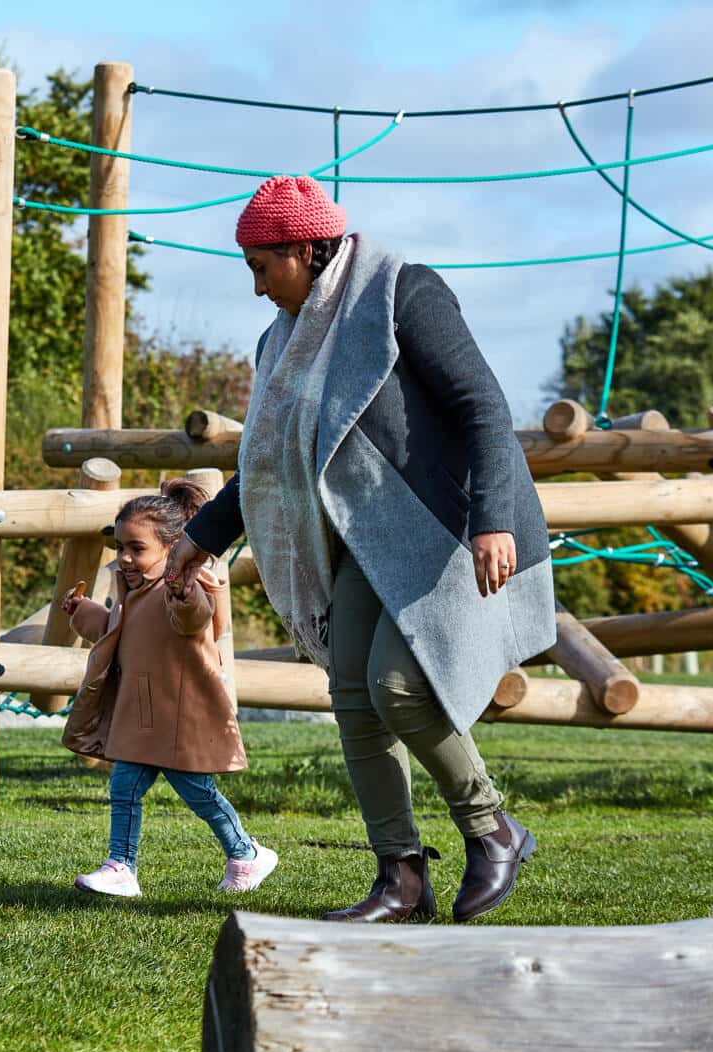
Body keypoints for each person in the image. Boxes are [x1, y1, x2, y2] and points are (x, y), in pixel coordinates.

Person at [166, 175, 556, 924]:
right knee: (354, 698)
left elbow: (482, 405)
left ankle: (491, 827)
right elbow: (267, 462)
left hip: (450, 525)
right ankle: (401, 881)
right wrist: (200, 538)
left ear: (307, 250)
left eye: (262, 266)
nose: (256, 288)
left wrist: (492, 519)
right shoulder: (281, 339)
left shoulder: (403, 292)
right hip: (361, 539)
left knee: (398, 686)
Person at [60, 478, 278, 898]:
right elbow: (115, 631)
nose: (124, 558)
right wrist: (82, 612)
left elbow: (195, 618)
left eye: (136, 549)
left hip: (179, 717)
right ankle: (121, 866)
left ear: (172, 546)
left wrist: (183, 588)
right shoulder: (133, 591)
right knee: (124, 786)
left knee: (200, 795)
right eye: (120, 547)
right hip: (145, 716)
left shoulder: (185, 590)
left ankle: (247, 853)